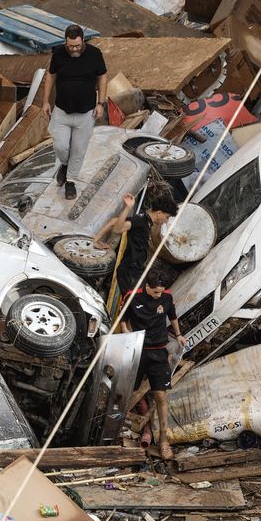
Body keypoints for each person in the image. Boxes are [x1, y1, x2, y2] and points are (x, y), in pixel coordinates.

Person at [120, 266, 186, 460]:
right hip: (138, 352)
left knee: (161, 397)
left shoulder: (166, 296)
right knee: (125, 393)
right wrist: (128, 336)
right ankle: (114, 433)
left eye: (160, 291)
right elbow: (123, 320)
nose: (158, 295)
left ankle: (164, 441)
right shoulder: (132, 296)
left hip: (158, 354)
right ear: (147, 287)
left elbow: (172, 316)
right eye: (155, 291)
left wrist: (179, 335)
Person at [42, 24, 107, 201]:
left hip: (86, 112)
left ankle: (70, 181)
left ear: (82, 40)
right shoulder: (59, 54)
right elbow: (51, 76)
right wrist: (45, 101)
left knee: (79, 150)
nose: (74, 49)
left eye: (77, 46)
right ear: (65, 42)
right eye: (70, 46)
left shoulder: (95, 54)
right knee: (61, 146)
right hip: (62, 110)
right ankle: (64, 164)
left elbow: (102, 77)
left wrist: (101, 102)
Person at [94, 191, 178, 295]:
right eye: (167, 217)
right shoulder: (142, 221)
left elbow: (114, 221)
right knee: (133, 303)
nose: (166, 221)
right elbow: (117, 228)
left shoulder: (144, 220)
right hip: (129, 272)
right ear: (159, 213)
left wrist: (95, 240)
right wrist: (128, 208)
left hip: (134, 271)